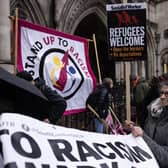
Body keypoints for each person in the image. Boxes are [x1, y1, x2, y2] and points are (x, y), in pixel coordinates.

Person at [126, 80, 168, 168]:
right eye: (161, 93)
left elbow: (165, 159)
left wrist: (143, 135)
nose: (162, 97)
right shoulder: (153, 112)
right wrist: (132, 129)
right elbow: (147, 137)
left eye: (167, 94)